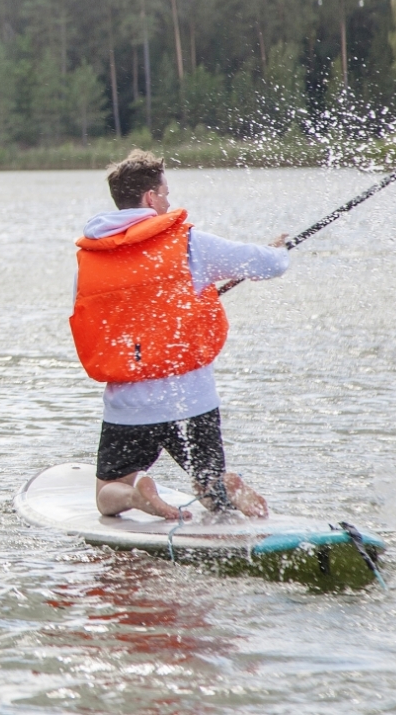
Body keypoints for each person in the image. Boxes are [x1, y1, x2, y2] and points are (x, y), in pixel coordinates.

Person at [69, 150, 286, 521]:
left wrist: (189, 296)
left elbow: (111, 317)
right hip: (191, 399)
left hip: (129, 405)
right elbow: (267, 265)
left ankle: (136, 494)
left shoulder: (89, 260)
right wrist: (277, 251)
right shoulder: (188, 244)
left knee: (106, 493)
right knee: (207, 489)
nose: (169, 201)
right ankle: (220, 487)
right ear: (150, 198)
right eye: (165, 193)